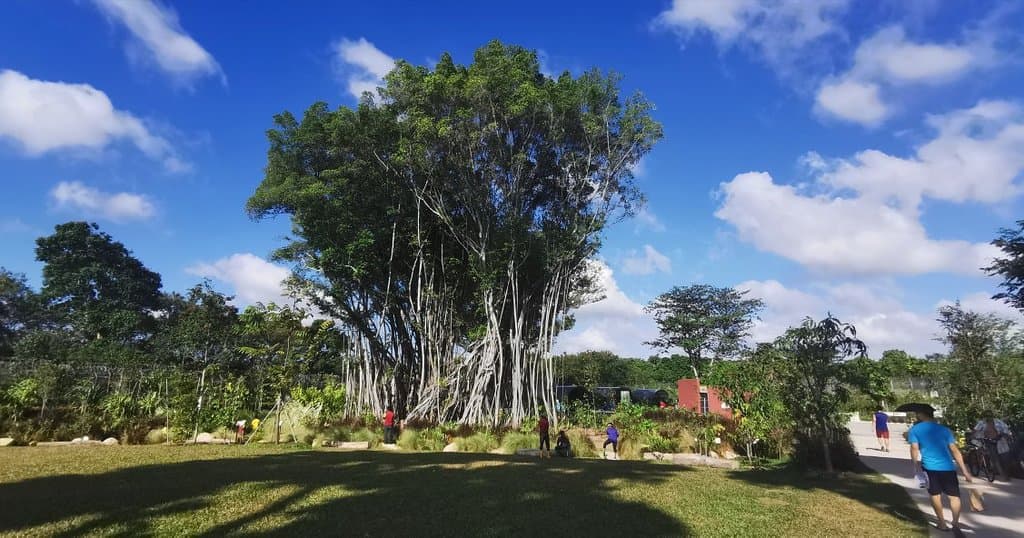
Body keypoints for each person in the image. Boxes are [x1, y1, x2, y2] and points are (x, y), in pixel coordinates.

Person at [908, 405, 973, 535]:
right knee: (954, 496)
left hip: (929, 467)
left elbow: (914, 449)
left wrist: (915, 466)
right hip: (948, 467)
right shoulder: (945, 430)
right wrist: (965, 470)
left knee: (935, 495)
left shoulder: (915, 430)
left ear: (921, 414)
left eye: (917, 413)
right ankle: (955, 523)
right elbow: (954, 450)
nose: (916, 415)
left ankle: (942, 523)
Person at [973, 413, 1012, 481]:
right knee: (995, 459)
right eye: (986, 416)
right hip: (988, 441)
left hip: (999, 440)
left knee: (1005, 457)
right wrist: (974, 436)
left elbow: (1005, 429)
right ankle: (1003, 475)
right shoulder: (981, 423)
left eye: (989, 416)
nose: (988, 418)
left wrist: (1007, 435)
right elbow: (975, 431)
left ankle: (1006, 472)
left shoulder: (998, 422)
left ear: (992, 416)